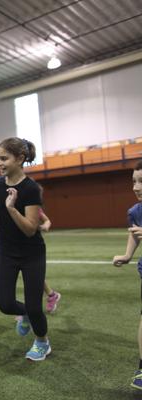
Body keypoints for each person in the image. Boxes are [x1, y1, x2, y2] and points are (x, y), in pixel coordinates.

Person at [0, 137, 51, 361]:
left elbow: (31, 229)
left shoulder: (30, 188)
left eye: (4, 158)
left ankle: (42, 341)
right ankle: (23, 313)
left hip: (32, 253)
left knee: (35, 307)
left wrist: (12, 209)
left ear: (20, 158)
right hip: (6, 251)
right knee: (4, 304)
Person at [113, 160, 142, 389]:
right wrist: (127, 255)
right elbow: (134, 233)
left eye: (141, 181)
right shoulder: (135, 211)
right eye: (133, 181)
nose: (136, 186)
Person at [38, 204, 61, 313]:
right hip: (14, 246)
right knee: (34, 276)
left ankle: (27, 311)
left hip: (33, 244)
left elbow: (47, 220)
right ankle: (52, 295)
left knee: (32, 275)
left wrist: (45, 225)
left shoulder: (33, 206)